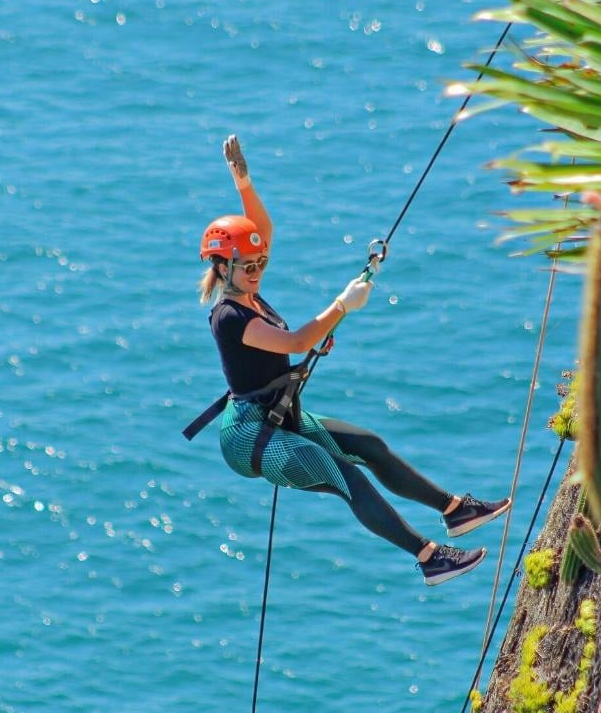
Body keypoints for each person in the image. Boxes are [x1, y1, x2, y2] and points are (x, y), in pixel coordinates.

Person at [194, 135, 510, 586]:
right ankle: (429, 558)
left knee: (369, 447)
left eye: (261, 262)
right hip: (250, 436)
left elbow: (263, 233)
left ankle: (455, 511)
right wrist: (341, 306)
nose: (258, 270)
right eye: (248, 266)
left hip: (278, 415)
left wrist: (243, 182)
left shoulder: (251, 295)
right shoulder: (229, 315)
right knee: (347, 479)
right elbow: (296, 340)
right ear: (224, 268)